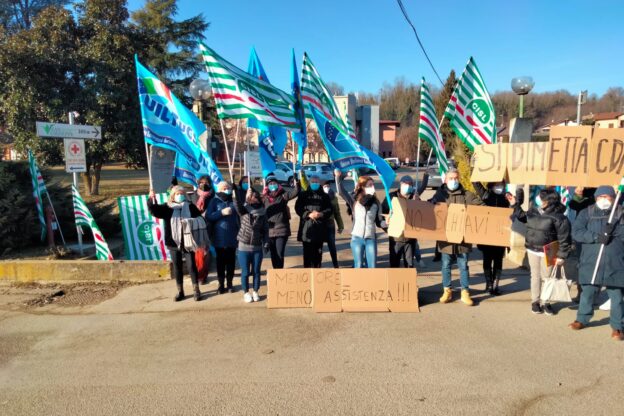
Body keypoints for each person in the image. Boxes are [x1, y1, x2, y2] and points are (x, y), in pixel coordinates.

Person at [569, 186, 624, 341]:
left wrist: (614, 232)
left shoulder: (621, 213)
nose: (604, 200)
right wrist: (596, 237)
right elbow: (577, 232)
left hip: (615, 262)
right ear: (596, 198)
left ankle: (618, 327)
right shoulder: (586, 212)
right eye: (601, 197)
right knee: (588, 292)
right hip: (591, 261)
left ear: (614, 198)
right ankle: (582, 319)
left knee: (617, 296)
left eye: (607, 197)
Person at [509, 188, 571, 315]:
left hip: (548, 251)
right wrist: (516, 204)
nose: (538, 199)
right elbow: (521, 217)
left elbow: (564, 238)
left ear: (549, 201)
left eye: (541, 198)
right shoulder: (534, 210)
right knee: (535, 276)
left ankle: (546, 302)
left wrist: (562, 255)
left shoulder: (559, 217)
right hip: (532, 249)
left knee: (547, 277)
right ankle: (535, 302)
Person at [429, 169, 484, 306]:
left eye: (455, 178)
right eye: (451, 178)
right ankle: (447, 290)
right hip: (445, 239)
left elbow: (482, 208)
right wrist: (427, 203)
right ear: (446, 180)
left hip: (463, 239)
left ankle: (465, 292)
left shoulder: (467, 195)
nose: (453, 181)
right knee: (446, 265)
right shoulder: (440, 194)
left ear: (458, 179)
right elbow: (429, 206)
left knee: (463, 266)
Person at [147, 185, 203, 301]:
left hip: (188, 241)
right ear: (172, 195)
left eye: (182, 193)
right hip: (173, 242)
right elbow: (154, 210)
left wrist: (189, 221)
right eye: (178, 194)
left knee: (192, 265)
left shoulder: (190, 206)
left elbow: (199, 218)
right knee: (177, 267)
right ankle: (180, 291)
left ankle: (196, 290)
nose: (180, 195)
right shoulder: (167, 207)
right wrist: (151, 199)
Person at [472, 180, 523, 295]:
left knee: (498, 260)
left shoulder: (507, 196)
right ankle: (489, 284)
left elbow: (518, 202)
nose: (499, 187)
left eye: (501, 184)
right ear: (492, 184)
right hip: (487, 234)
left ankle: (495, 285)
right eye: (497, 184)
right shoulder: (486, 195)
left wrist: (519, 187)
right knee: (487, 259)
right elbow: (475, 183)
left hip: (501, 234)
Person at [335, 169, 386, 268]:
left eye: (373, 185)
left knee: (372, 266)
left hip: (370, 239)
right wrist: (337, 177)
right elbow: (341, 192)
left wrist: (385, 223)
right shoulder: (354, 200)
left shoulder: (376, 202)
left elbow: (379, 221)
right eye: (369, 185)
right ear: (362, 187)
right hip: (357, 238)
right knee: (358, 265)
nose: (372, 187)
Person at [382, 174, 429, 269]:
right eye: (405, 184)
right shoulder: (391, 197)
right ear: (401, 184)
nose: (407, 186)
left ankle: (408, 283)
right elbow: (382, 213)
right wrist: (387, 226)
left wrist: (417, 202)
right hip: (396, 238)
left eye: (410, 184)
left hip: (410, 238)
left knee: (409, 264)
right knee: (394, 263)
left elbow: (420, 215)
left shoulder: (414, 197)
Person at [235, 185, 270, 303]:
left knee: (256, 271)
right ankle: (246, 292)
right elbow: (238, 205)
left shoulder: (263, 213)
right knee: (245, 272)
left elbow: (265, 230)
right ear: (249, 199)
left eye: (256, 197)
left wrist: (266, 243)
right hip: (243, 247)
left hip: (257, 247)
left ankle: (255, 291)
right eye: (252, 197)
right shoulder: (245, 210)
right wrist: (236, 190)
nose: (254, 199)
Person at [206, 181, 239, 293]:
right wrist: (221, 213)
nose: (227, 189)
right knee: (220, 263)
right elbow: (209, 216)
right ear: (219, 190)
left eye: (229, 187)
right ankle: (221, 285)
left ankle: (230, 284)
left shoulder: (233, 200)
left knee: (231, 262)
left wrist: (236, 196)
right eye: (225, 188)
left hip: (233, 237)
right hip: (219, 238)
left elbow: (241, 213)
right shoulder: (214, 201)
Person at [262, 173, 299, 269]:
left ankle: (279, 273)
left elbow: (295, 192)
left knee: (279, 253)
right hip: (269, 230)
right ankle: (276, 273)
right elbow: (252, 203)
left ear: (278, 184)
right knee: (273, 254)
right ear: (267, 186)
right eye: (270, 184)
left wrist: (297, 182)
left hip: (282, 229)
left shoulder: (283, 196)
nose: (272, 185)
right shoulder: (264, 198)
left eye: (274, 183)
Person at [295, 174, 332, 268]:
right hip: (306, 228)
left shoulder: (325, 196)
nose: (314, 183)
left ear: (319, 183)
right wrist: (308, 214)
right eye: (313, 182)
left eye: (316, 182)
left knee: (318, 255)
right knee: (307, 255)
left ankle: (317, 273)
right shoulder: (303, 195)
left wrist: (321, 214)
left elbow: (329, 209)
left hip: (320, 229)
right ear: (309, 183)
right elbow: (298, 208)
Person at [191, 176, 215, 285]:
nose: (204, 184)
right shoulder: (193, 196)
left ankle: (203, 274)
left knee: (206, 252)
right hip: (195, 227)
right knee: (199, 252)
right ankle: (200, 275)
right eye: (201, 182)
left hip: (208, 227)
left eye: (206, 182)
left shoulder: (213, 196)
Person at [323, 180, 344, 268]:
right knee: (318, 246)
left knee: (332, 245)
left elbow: (337, 213)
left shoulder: (334, 197)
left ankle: (335, 264)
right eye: (324, 186)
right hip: (320, 225)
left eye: (328, 186)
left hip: (330, 224)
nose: (326, 188)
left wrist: (340, 226)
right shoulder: (319, 196)